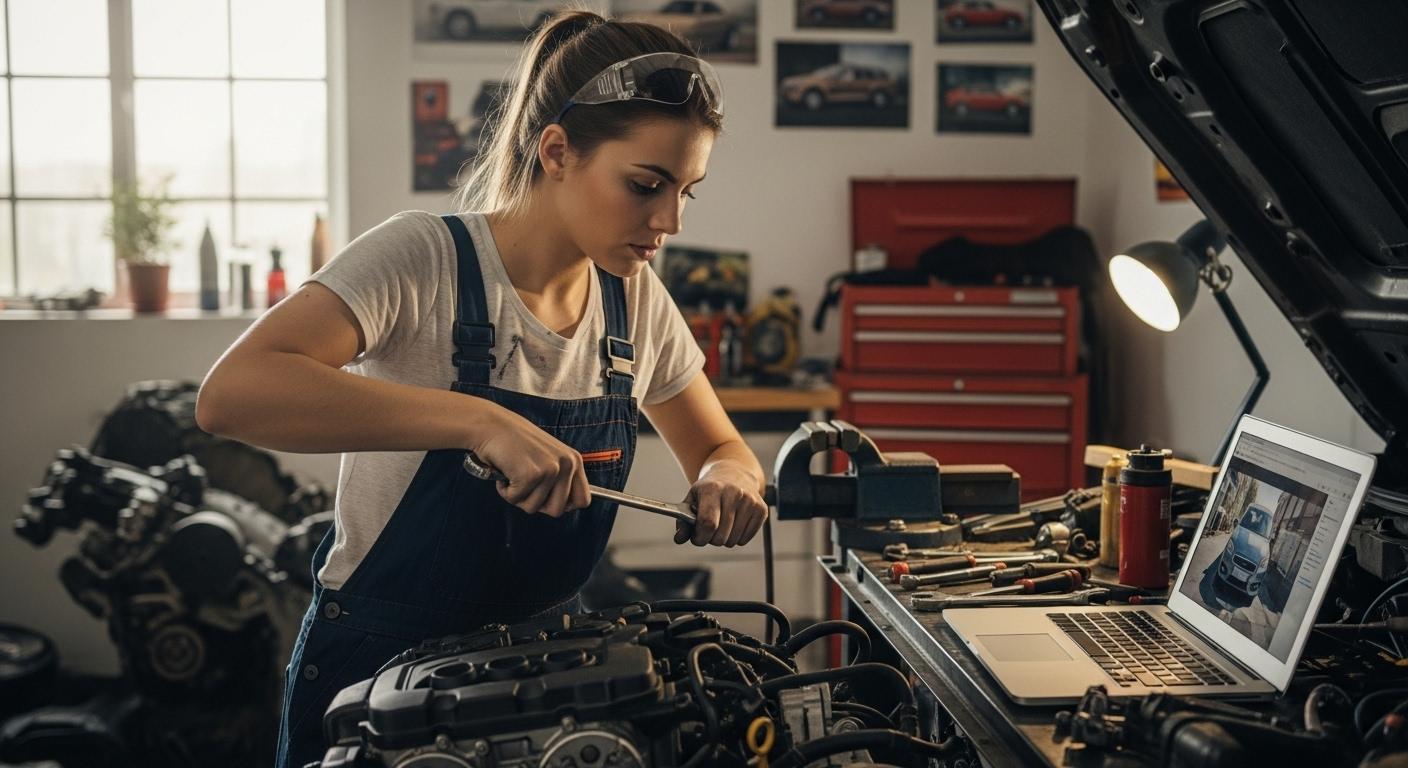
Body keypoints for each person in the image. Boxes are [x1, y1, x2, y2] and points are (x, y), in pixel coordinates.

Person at [194, 11, 768, 768]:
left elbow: (723, 447)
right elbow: (232, 395)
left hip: (546, 682)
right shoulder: (424, 259)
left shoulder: (632, 299)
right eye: (645, 185)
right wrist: (477, 421)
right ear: (556, 151)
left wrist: (730, 478)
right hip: (377, 679)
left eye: (687, 192)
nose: (670, 220)